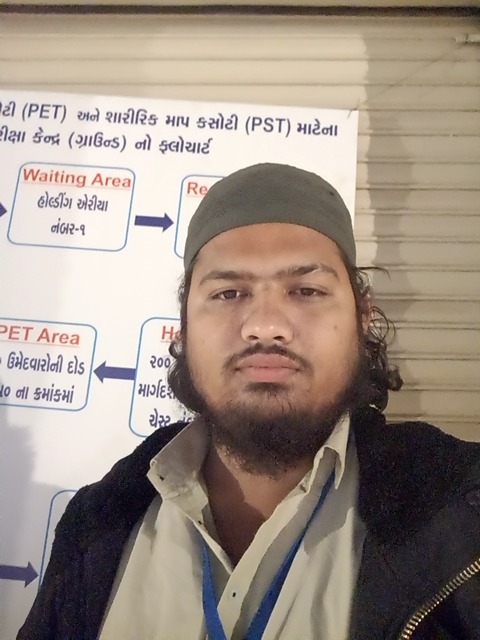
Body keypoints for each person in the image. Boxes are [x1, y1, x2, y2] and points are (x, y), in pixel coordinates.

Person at [18, 164, 480, 640]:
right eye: (228, 292)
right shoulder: (94, 524)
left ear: (362, 318)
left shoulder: (463, 511)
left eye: (306, 291)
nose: (265, 325)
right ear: (184, 324)